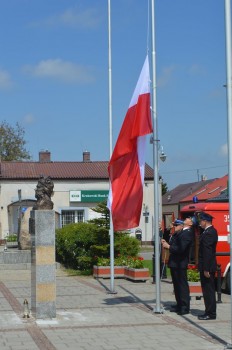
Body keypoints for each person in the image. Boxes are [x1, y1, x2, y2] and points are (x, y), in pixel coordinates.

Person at [161, 217, 194, 315]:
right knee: (176, 285)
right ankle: (179, 304)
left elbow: (181, 249)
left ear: (182, 225)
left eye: (176, 225)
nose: (174, 227)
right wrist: (166, 237)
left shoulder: (187, 233)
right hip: (175, 263)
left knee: (182, 286)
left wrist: (169, 247)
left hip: (180, 263)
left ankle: (184, 306)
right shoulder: (179, 233)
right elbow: (171, 241)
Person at [197, 212, 218, 320]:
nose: (200, 223)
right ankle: (208, 311)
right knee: (206, 290)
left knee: (209, 291)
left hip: (208, 267)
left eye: (201, 221)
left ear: (205, 221)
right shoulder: (207, 231)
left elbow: (207, 252)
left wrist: (206, 269)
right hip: (206, 266)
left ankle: (211, 313)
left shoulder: (210, 232)